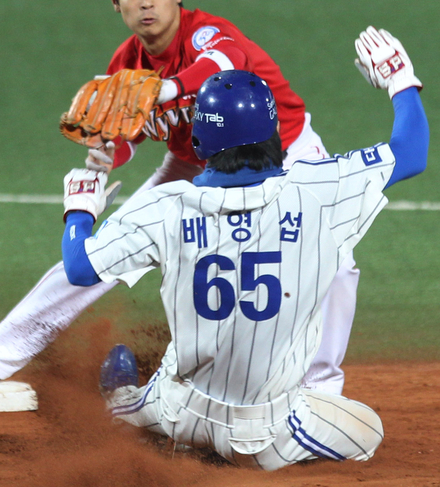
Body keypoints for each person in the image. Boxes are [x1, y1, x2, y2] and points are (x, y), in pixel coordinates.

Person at [0, 0, 358, 392]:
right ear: (115, 1)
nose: (146, 2)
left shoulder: (205, 33)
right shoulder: (126, 66)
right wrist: (106, 154)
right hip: (196, 166)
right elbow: (130, 137)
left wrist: (168, 89)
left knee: (336, 260)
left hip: (288, 155)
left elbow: (227, 61)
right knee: (101, 248)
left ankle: (320, 388)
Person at [59, 28, 428, 470]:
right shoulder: (322, 190)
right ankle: (245, 449)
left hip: (175, 414)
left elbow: (79, 267)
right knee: (367, 428)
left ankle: (123, 405)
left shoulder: (165, 206)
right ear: (273, 132)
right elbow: (412, 152)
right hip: (263, 438)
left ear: (199, 144)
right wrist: (400, 79)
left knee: (135, 403)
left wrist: (80, 210)